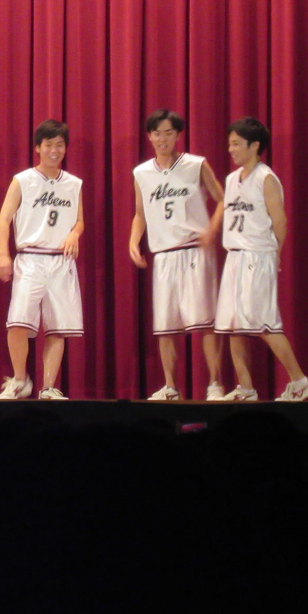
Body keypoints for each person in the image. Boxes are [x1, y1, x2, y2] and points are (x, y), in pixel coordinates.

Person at [129, 110, 226, 401]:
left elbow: (223, 199)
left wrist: (212, 229)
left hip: (194, 249)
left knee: (205, 322)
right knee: (165, 326)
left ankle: (215, 383)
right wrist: (133, 241)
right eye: (157, 133)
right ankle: (171, 386)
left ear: (178, 135)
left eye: (168, 133)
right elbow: (140, 213)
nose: (162, 139)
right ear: (149, 136)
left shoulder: (196, 164)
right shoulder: (141, 173)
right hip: (163, 254)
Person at [214, 118, 308, 401]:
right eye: (230, 144)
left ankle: (300, 381)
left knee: (264, 322)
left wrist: (275, 253)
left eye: (236, 144)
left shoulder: (265, 178)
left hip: (257, 255)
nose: (231, 149)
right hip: (234, 256)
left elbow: (280, 221)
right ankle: (246, 388)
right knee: (232, 325)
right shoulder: (232, 179)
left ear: (255, 145)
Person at [0, 119, 84, 400]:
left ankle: (48, 386)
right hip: (30, 258)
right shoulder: (23, 180)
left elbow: (80, 221)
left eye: (60, 145)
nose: (54, 150)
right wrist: (3, 254)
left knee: (56, 328)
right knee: (17, 322)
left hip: (61, 260)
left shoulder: (73, 184)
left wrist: (74, 234)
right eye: (49, 145)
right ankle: (20, 379)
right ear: (37, 147)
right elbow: (4, 219)